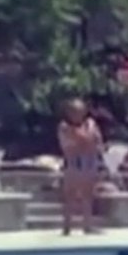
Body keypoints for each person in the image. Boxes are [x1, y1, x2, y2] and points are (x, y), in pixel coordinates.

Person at [55, 98, 104, 235]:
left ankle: (87, 226)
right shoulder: (64, 127)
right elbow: (78, 142)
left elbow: (97, 143)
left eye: (80, 111)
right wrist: (87, 140)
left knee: (88, 195)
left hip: (89, 162)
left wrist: (88, 142)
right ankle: (67, 227)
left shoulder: (90, 124)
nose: (78, 114)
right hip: (73, 164)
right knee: (70, 196)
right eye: (74, 111)